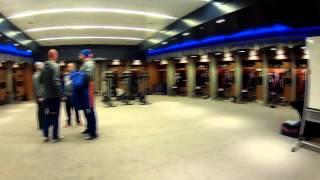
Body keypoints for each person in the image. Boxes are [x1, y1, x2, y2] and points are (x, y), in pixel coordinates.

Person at [39, 49, 63, 142]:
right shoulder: (56, 66)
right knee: (55, 115)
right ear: (54, 55)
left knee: (48, 114)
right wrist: (61, 93)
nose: (57, 56)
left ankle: (45, 135)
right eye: (57, 54)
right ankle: (55, 136)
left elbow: (41, 80)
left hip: (46, 96)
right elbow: (56, 81)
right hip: (55, 95)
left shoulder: (43, 66)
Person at [78, 49, 98, 140]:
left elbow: (88, 76)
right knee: (86, 110)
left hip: (88, 89)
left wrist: (78, 77)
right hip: (85, 89)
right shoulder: (85, 64)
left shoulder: (89, 63)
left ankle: (93, 133)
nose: (79, 55)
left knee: (89, 110)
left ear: (85, 55)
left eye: (81, 54)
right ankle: (89, 128)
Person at [63, 63, 82, 127]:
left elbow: (79, 85)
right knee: (67, 109)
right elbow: (64, 85)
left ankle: (78, 121)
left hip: (75, 94)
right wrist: (64, 95)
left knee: (76, 108)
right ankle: (68, 122)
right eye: (68, 67)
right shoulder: (65, 75)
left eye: (71, 66)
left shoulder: (77, 74)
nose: (69, 68)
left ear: (74, 67)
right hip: (67, 95)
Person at [32, 62, 45, 130]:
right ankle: (42, 125)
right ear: (38, 66)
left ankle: (41, 124)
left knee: (40, 110)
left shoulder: (35, 75)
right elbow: (40, 87)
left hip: (39, 95)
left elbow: (34, 87)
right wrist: (40, 96)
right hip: (41, 95)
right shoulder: (39, 75)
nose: (43, 67)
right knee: (42, 111)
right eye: (42, 65)